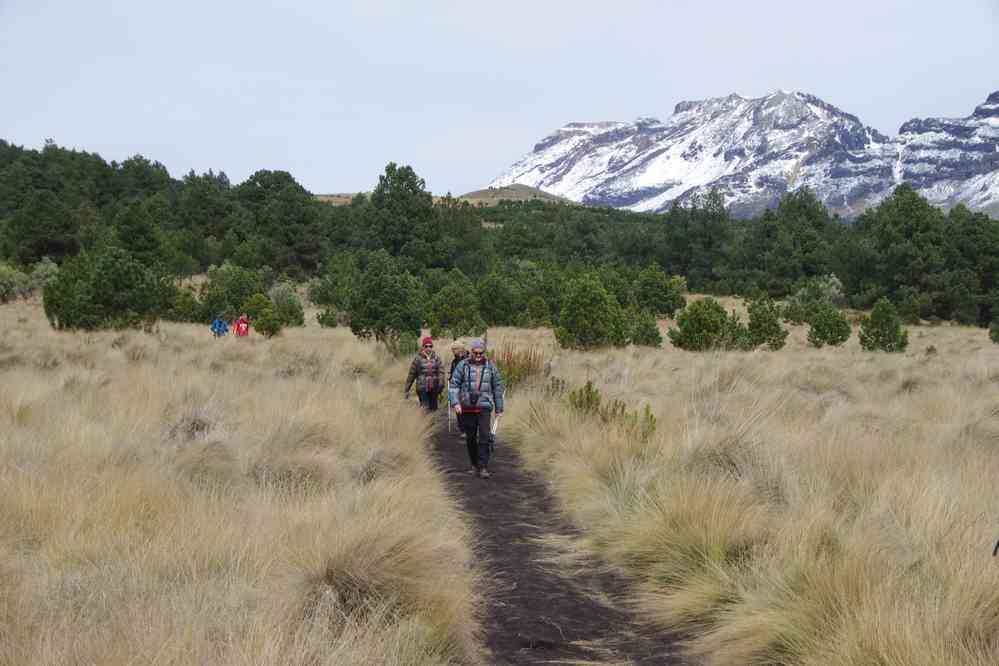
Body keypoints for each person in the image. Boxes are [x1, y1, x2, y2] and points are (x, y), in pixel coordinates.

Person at [449, 338, 504, 479]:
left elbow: (498, 387)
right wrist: (455, 403)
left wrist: (499, 408)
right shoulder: (463, 365)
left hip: (484, 406)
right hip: (467, 406)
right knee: (471, 437)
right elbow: (454, 384)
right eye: (476, 353)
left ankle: (483, 467)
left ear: (484, 352)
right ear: (471, 352)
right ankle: (474, 465)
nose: (478, 356)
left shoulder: (491, 366)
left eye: (481, 353)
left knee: (485, 436)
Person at [405, 336, 445, 411]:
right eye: (426, 346)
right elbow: (411, 375)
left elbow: (441, 372)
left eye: (430, 346)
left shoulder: (437, 358)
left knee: (434, 409)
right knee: (425, 409)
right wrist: (407, 389)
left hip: (434, 387)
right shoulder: (417, 359)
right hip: (422, 388)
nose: (428, 348)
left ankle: (433, 422)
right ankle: (425, 422)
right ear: (423, 347)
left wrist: (441, 384)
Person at [449, 342, 468, 436]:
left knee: (467, 408)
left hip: (466, 387)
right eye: (452, 350)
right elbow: (452, 373)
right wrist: (450, 378)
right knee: (458, 408)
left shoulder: (468, 359)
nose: (453, 352)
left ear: (460, 349)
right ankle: (462, 429)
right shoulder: (454, 361)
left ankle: (468, 428)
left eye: (454, 349)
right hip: (457, 388)